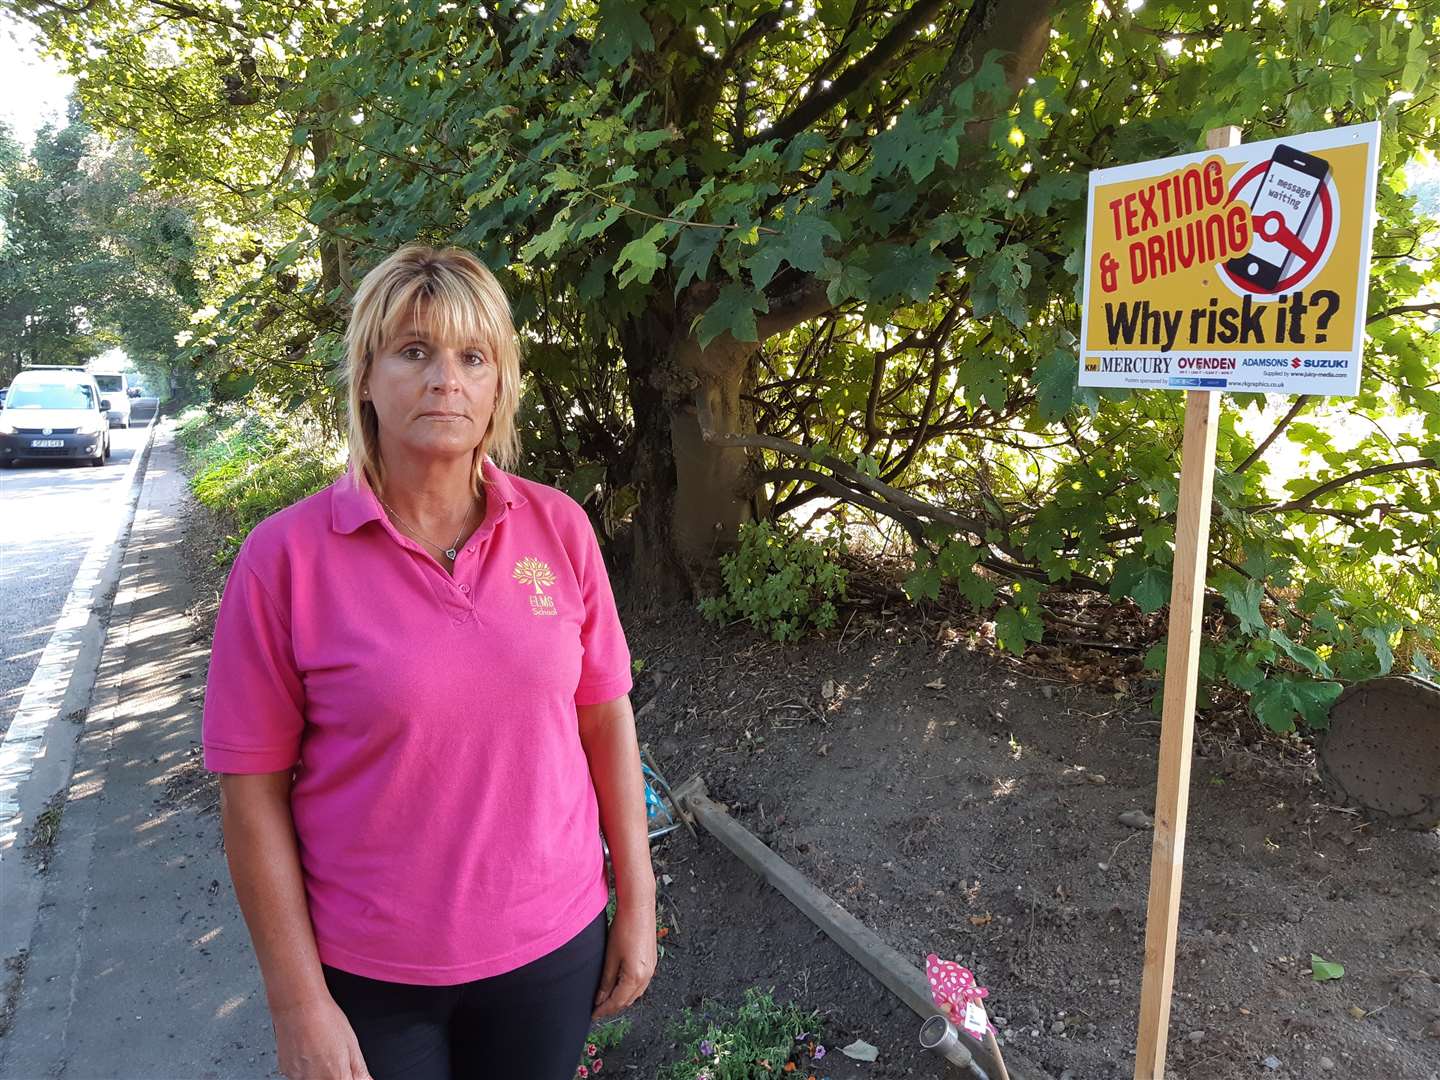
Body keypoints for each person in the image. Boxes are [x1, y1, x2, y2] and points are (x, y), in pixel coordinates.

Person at [202, 244, 656, 1080]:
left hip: (551, 947)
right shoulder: (285, 561)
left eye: (472, 357)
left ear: (497, 388)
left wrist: (638, 901)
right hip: (372, 977)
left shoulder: (559, 530)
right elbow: (250, 790)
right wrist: (297, 1001)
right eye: (415, 351)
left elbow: (604, 718)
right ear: (366, 378)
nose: (446, 378)